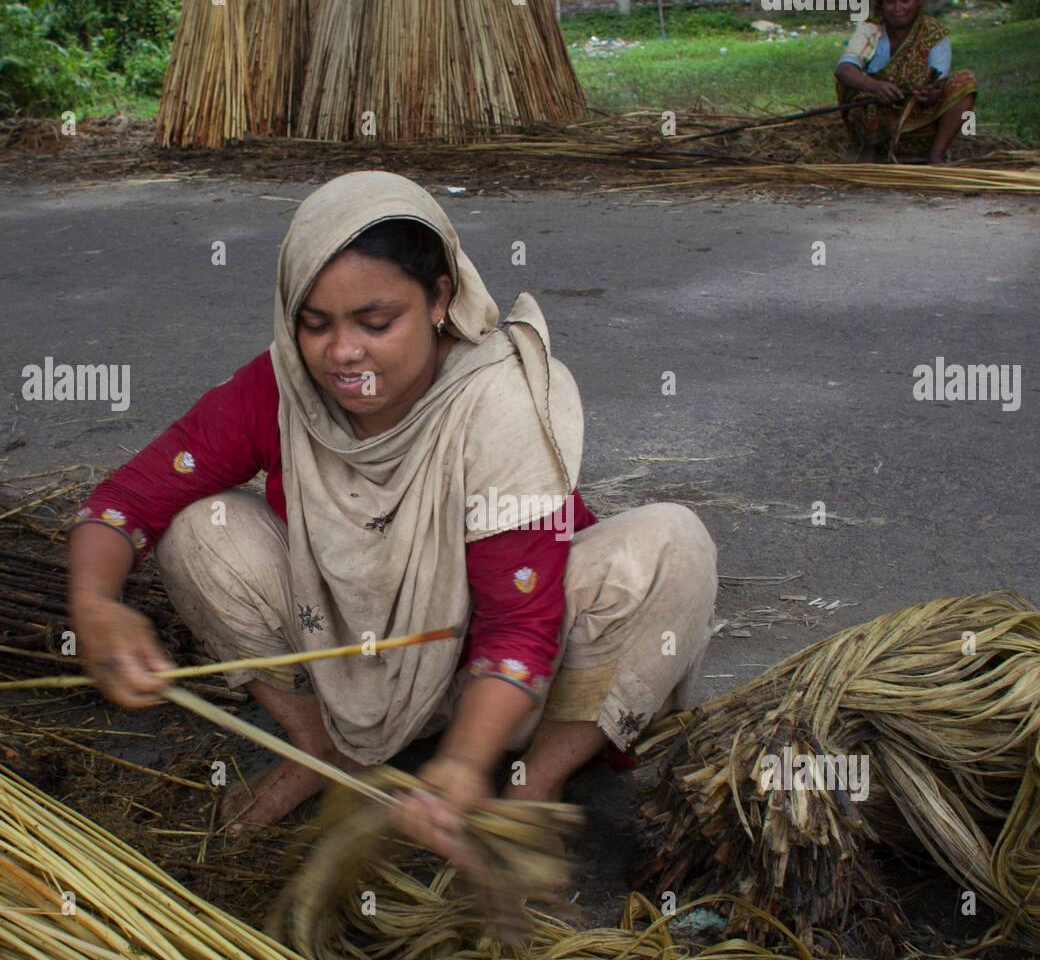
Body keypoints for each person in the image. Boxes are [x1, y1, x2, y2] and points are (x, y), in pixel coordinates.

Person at [66, 172, 718, 862]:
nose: (342, 353)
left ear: (441, 298)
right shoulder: (284, 387)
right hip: (350, 660)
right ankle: (327, 749)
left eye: (376, 323)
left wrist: (464, 764)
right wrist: (93, 600)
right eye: (314, 323)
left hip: (505, 679)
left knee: (672, 543)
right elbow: (125, 504)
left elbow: (519, 625)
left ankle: (530, 788)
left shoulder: (496, 402)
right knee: (203, 529)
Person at [834, 0, 977, 164]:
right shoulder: (870, 29)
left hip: (920, 121)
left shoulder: (933, 34)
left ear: (919, 0)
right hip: (878, 122)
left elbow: (938, 86)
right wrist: (875, 87)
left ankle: (935, 155)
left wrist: (928, 94)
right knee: (857, 88)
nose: (897, 8)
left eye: (905, 0)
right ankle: (869, 155)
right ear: (881, 3)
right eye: (890, 1)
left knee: (966, 81)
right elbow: (844, 69)